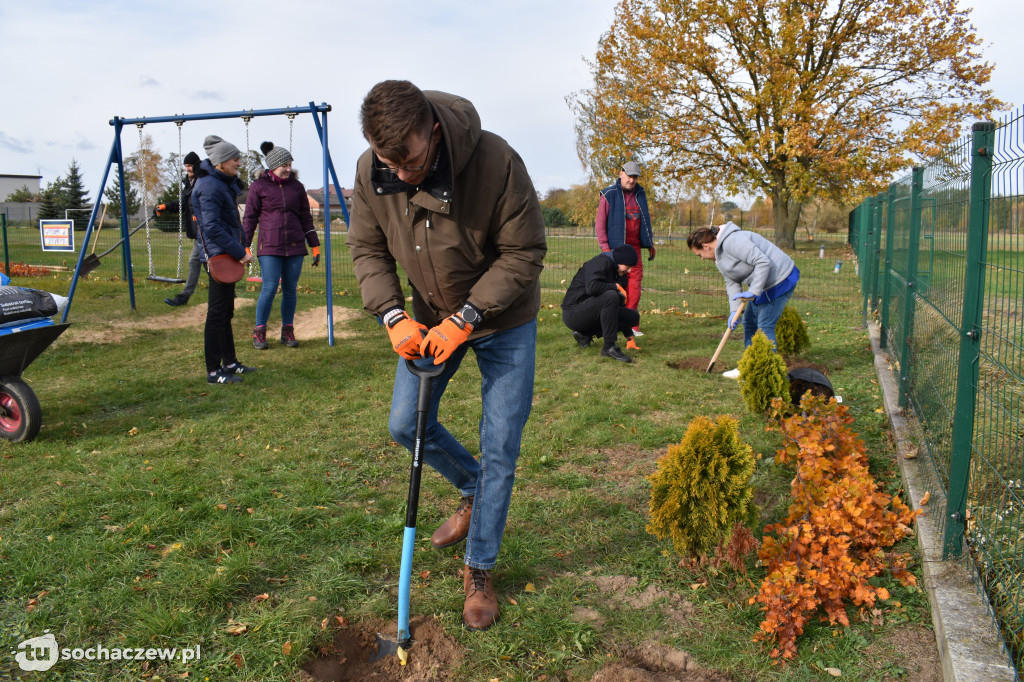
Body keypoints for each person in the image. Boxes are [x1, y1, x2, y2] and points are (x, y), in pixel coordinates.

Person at [347, 80, 546, 632]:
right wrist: (391, 314)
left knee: (500, 444)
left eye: (409, 160)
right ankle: (473, 490)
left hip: (503, 320)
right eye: (389, 161)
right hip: (428, 316)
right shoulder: (373, 170)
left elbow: (525, 251)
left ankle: (479, 568)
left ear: (432, 130)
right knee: (403, 425)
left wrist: (468, 318)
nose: (400, 173)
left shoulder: (497, 160)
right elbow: (366, 247)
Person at [687, 222, 799, 378]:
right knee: (749, 322)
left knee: (765, 325)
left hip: (780, 278)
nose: (701, 259)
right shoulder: (718, 257)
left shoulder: (733, 241)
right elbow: (731, 282)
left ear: (705, 246)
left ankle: (767, 372)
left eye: (699, 255)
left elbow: (762, 262)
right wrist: (734, 310)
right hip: (763, 283)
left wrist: (753, 291)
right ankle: (749, 366)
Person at [191, 135, 257, 384]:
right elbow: (212, 228)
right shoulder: (209, 187)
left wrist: (240, 247)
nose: (239, 163)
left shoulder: (221, 182)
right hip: (218, 256)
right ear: (220, 162)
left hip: (227, 251)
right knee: (217, 313)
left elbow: (228, 223)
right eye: (235, 158)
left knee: (226, 311)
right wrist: (240, 252)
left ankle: (229, 363)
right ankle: (213, 370)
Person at [243, 141, 321, 349]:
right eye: (284, 165)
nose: (288, 169)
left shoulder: (297, 187)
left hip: (295, 245)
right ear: (272, 166)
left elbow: (306, 217)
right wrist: (245, 245)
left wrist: (314, 245)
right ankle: (259, 331)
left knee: (290, 290)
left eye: (290, 164)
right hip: (270, 245)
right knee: (269, 288)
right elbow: (249, 218)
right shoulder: (258, 187)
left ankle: (287, 331)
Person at [595, 160, 655, 337]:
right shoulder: (608, 194)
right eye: (629, 176)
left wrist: (650, 243)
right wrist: (606, 250)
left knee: (635, 288)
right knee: (613, 290)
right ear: (621, 173)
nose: (632, 180)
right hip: (615, 251)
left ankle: (632, 327)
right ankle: (608, 324)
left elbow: (646, 221)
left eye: (635, 177)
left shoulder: (640, 194)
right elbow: (600, 225)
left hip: (634, 250)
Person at [561, 245, 640, 363]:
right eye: (628, 266)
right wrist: (615, 287)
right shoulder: (600, 263)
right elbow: (592, 288)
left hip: (591, 311)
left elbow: (618, 306)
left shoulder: (621, 275)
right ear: (619, 261)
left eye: (631, 267)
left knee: (633, 317)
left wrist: (629, 336)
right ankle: (609, 347)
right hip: (573, 313)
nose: (629, 271)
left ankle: (584, 333)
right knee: (611, 296)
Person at [159, 151, 203, 307]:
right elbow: (184, 203)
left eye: (190, 166)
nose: (187, 169)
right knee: (205, 263)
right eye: (185, 166)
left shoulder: (203, 181)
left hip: (206, 230)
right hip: (198, 231)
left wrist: (202, 215)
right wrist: (166, 206)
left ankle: (185, 296)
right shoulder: (189, 183)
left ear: (197, 166)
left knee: (195, 261)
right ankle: (228, 291)